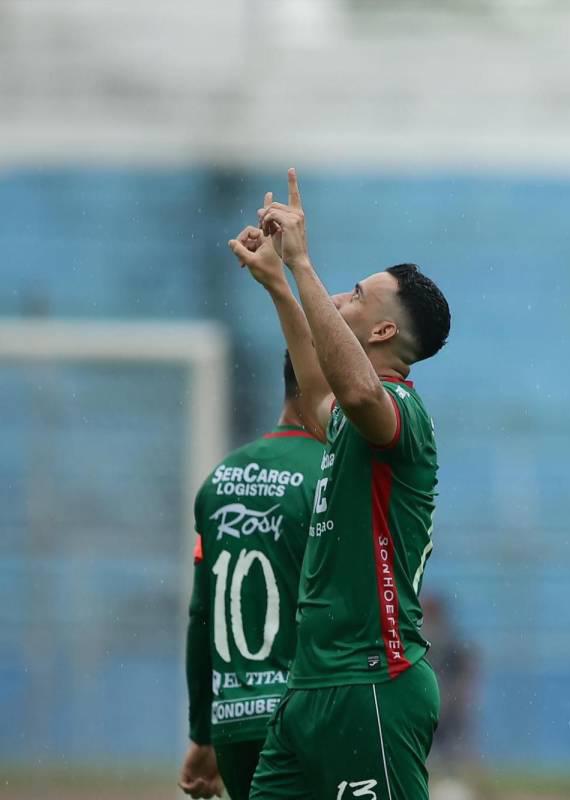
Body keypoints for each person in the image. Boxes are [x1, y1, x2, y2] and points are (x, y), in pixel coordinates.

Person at [229, 169, 451, 800]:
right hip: (312, 687)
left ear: (383, 333)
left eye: (356, 295)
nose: (343, 300)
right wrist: (277, 283)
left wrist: (302, 263)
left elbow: (354, 389)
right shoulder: (352, 423)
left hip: (373, 681)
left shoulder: (402, 413)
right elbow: (324, 390)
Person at [180, 352, 327, 800]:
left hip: (233, 722)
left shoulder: (219, 479)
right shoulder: (332, 473)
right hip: (307, 717)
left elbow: (201, 615)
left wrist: (202, 732)